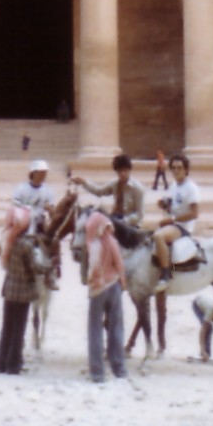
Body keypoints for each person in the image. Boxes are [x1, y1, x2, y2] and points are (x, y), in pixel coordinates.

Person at [84, 211, 128, 383]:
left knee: (94, 329)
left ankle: (97, 372)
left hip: (97, 290)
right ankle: (119, 368)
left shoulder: (93, 245)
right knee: (116, 327)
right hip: (114, 287)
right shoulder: (113, 242)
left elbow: (91, 270)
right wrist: (122, 283)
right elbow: (119, 265)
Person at [0, 206, 37, 375]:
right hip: (22, 291)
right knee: (19, 328)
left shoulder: (6, 240)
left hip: (9, 288)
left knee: (7, 327)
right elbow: (35, 266)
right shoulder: (26, 245)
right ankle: (14, 364)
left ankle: (1, 363)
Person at [150, 153, 201, 282]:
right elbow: (173, 206)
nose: (176, 171)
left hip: (182, 227)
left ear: (186, 169)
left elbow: (194, 214)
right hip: (173, 224)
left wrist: (172, 220)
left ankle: (166, 273)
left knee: (158, 236)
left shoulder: (191, 188)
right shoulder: (173, 186)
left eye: (179, 167)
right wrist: (164, 205)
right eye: (173, 168)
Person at [71, 152, 146, 226]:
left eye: (125, 170)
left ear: (129, 170)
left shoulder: (138, 189)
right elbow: (99, 191)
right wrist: (84, 182)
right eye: (120, 171)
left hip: (130, 224)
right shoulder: (114, 184)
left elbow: (139, 215)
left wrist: (123, 221)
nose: (123, 174)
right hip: (114, 218)